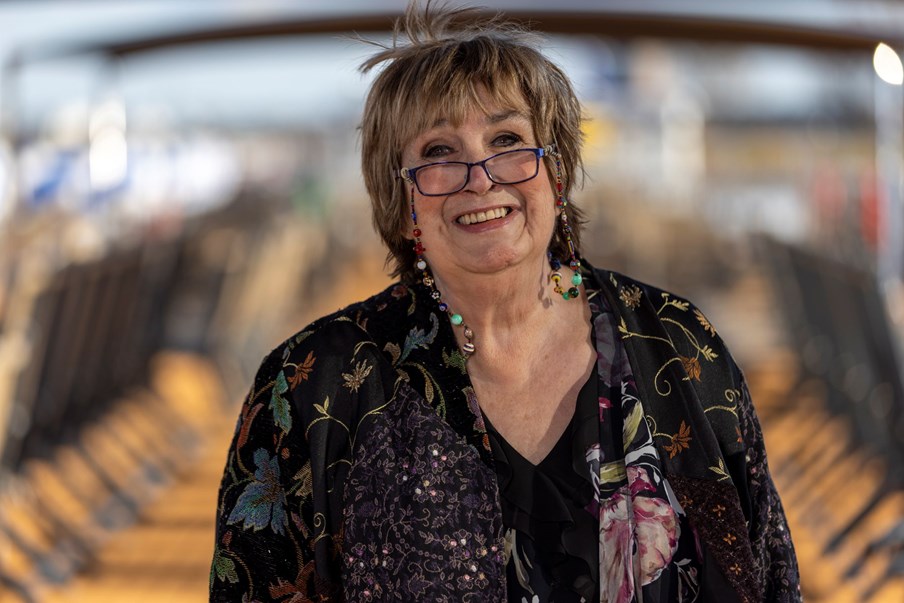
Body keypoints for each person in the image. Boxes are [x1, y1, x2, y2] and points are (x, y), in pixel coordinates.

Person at [210, 3, 800, 601]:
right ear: (401, 197)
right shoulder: (310, 385)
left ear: (557, 169)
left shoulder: (675, 342)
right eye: (439, 152)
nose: (480, 177)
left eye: (508, 140)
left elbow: (769, 571)